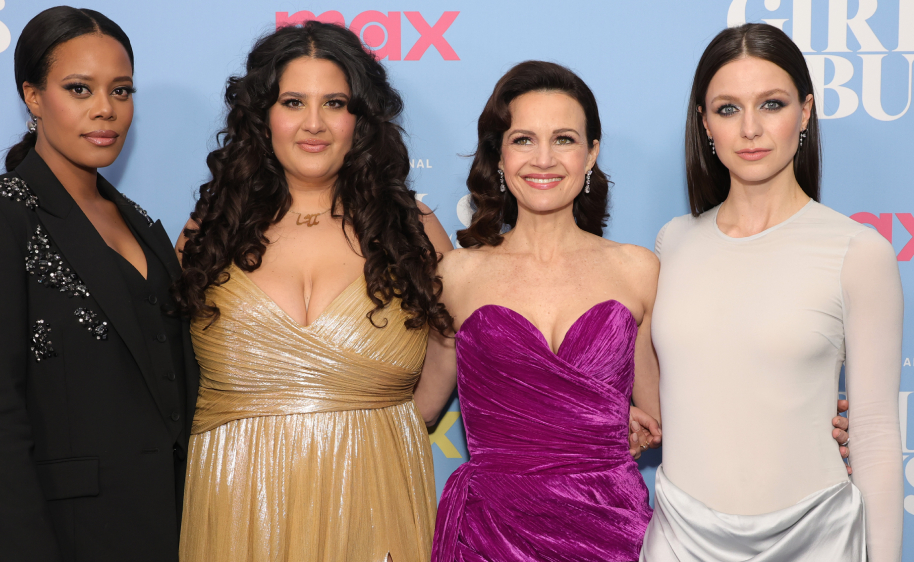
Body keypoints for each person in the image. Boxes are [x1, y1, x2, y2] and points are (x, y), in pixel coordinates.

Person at [173, 21, 453, 562]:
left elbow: (456, 335)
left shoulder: (410, 226)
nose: (314, 124)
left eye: (336, 103)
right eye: (293, 101)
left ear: (361, 120)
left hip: (379, 487)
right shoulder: (212, 229)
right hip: (238, 496)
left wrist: (394, 420)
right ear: (263, 116)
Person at [0, 7, 198, 562]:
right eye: (79, 89)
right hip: (52, 535)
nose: (106, 110)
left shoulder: (142, 223)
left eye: (121, 91)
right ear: (32, 96)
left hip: (160, 529)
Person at [641, 23, 902, 562]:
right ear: (704, 122)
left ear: (805, 113)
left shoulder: (859, 252)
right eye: (728, 108)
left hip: (817, 541)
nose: (751, 129)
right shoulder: (672, 243)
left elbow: (875, 437)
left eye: (772, 104)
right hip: (681, 541)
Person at [419, 60, 659, 561]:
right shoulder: (457, 275)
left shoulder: (639, 271)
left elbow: (665, 417)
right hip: (489, 535)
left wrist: (807, 420)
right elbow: (419, 409)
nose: (543, 159)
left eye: (565, 139)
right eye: (524, 139)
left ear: (592, 152)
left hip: (609, 530)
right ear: (500, 155)